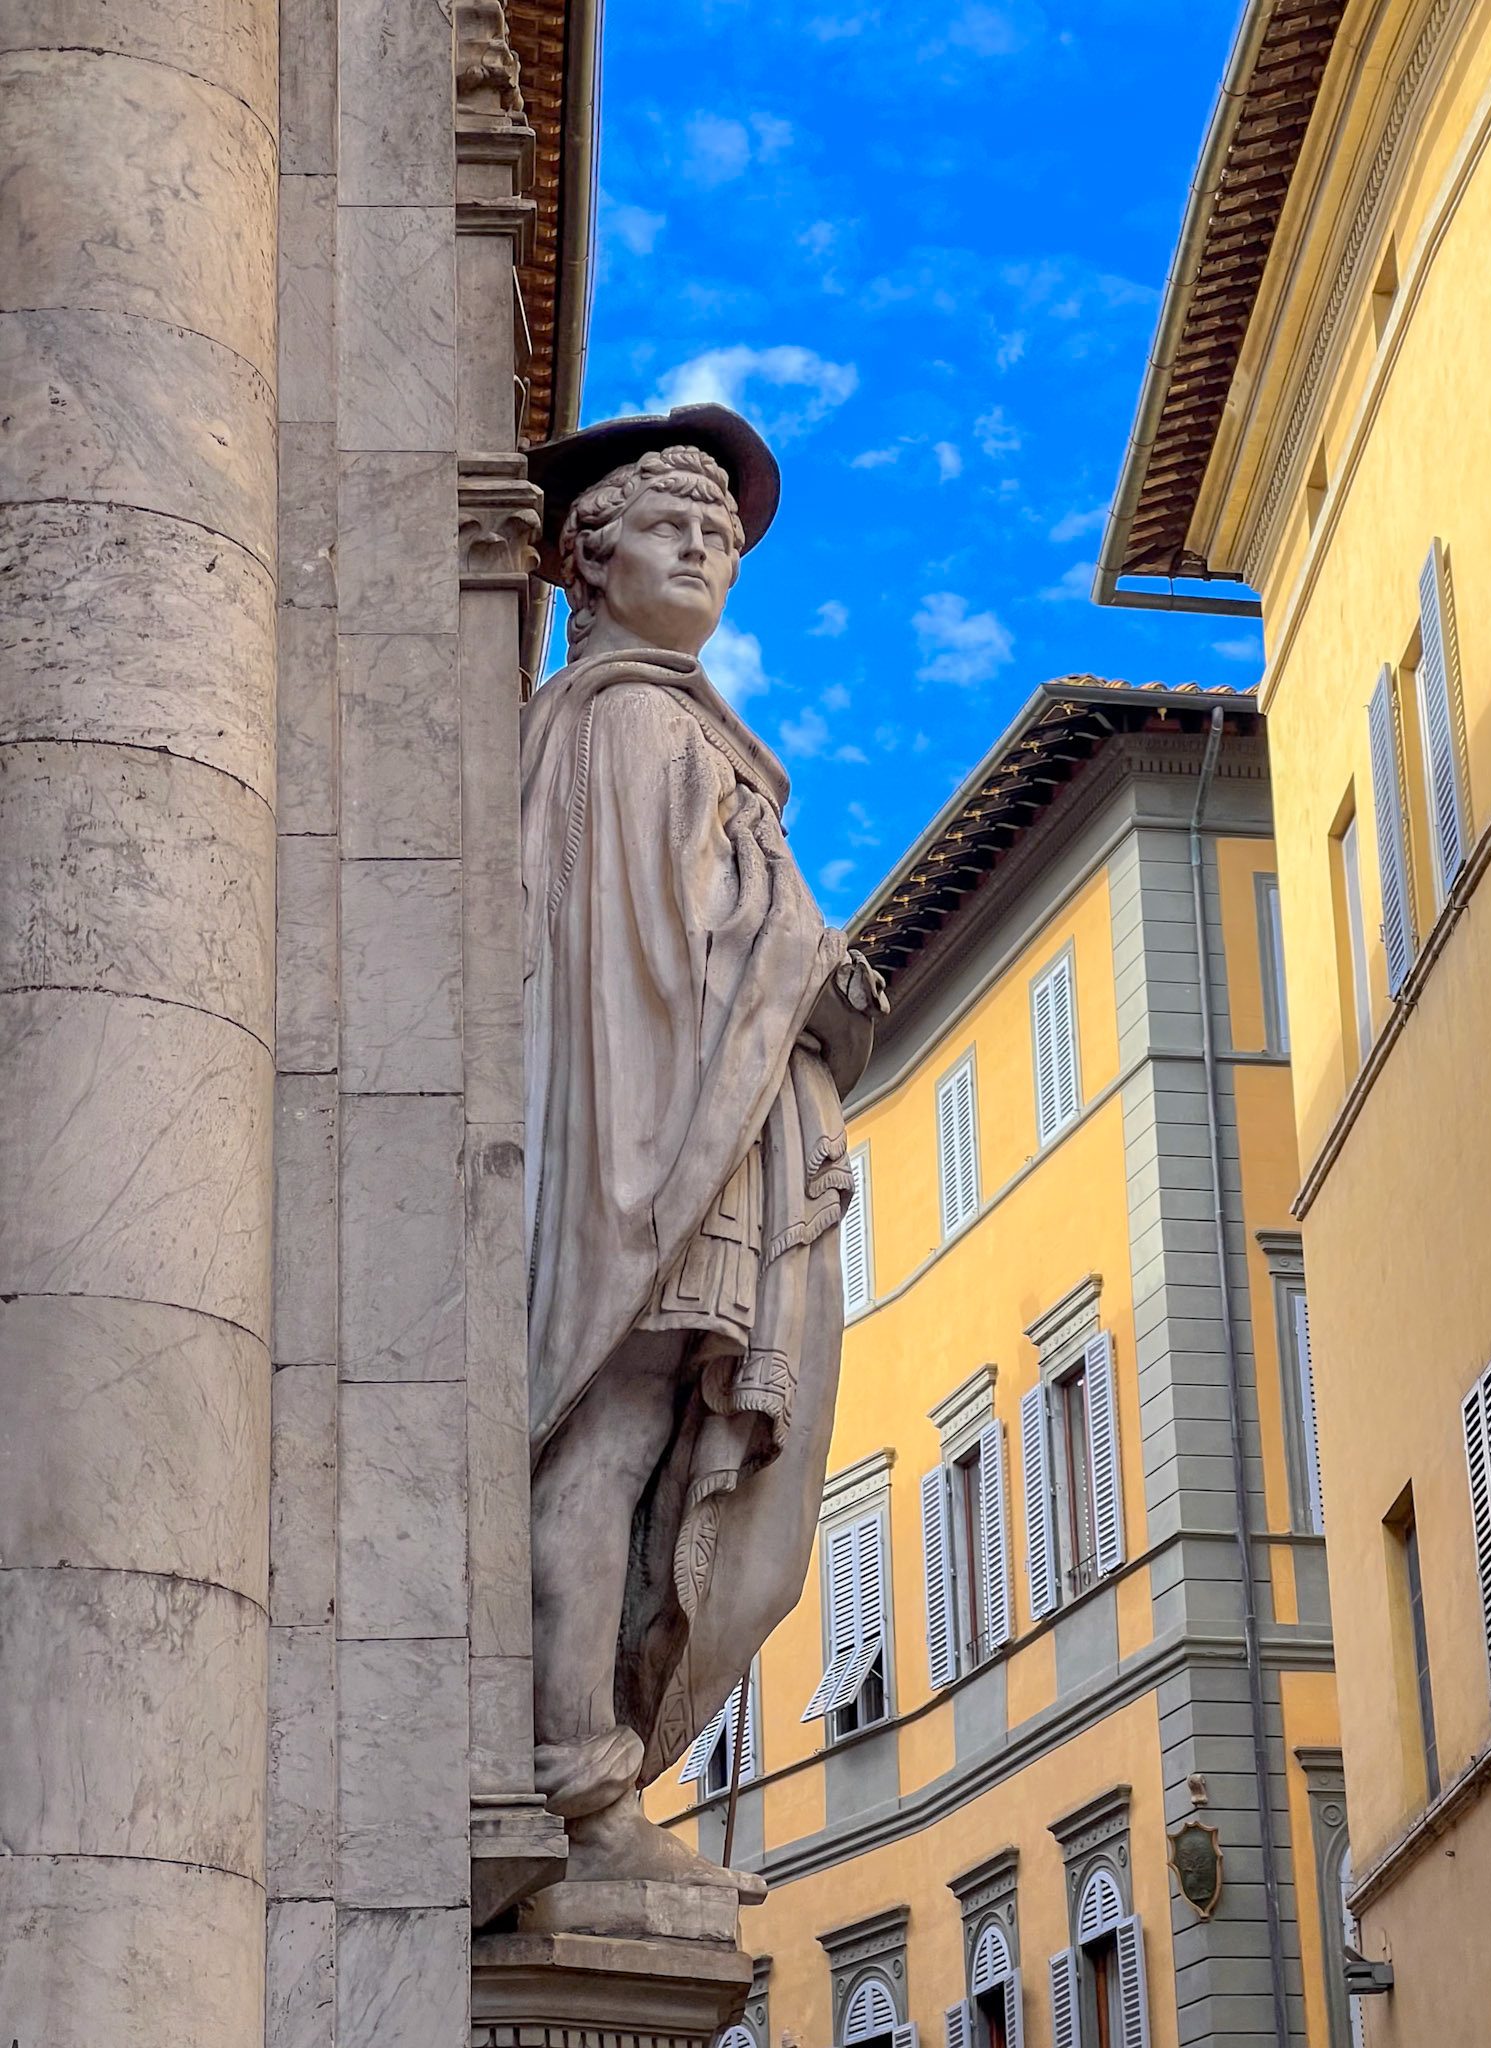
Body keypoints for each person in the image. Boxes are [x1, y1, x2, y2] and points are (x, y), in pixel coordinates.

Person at [521, 404, 883, 1886]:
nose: (706, 558)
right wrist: (809, 956)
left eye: (721, 542)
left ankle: (581, 1764)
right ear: (589, 561)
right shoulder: (627, 727)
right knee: (609, 1445)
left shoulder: (667, 725)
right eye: (674, 531)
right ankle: (573, 1781)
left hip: (703, 1131)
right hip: (659, 1140)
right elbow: (671, 948)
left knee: (652, 1449)